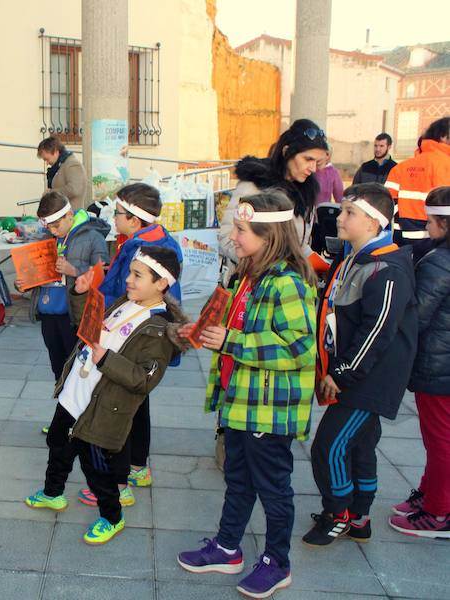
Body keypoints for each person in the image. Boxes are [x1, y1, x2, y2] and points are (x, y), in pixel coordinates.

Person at [177, 190, 317, 600]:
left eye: (240, 230)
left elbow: (299, 346)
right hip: (241, 399)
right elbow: (230, 322)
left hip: (269, 410)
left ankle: (278, 562)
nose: (233, 237)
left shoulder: (287, 282)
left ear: (267, 234)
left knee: (273, 487)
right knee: (238, 479)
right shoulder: (247, 274)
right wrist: (203, 330)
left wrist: (231, 341)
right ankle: (226, 547)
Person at [25, 246, 187, 544]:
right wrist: (80, 295)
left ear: (161, 283)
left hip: (103, 409)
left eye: (137, 275)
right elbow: (88, 327)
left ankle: (112, 517)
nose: (128, 279)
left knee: (97, 468)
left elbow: (144, 379)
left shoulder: (160, 330)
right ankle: (52, 493)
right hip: (75, 393)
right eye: (130, 272)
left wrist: (104, 359)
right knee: (58, 444)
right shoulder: (126, 302)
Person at [303, 183, 417, 546]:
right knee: (361, 445)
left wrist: (343, 373)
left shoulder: (387, 269)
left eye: (350, 212)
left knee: (330, 445)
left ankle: (337, 512)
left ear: (373, 222)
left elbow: (378, 330)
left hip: (369, 379)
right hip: (356, 372)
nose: (341, 217)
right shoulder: (354, 256)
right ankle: (359, 516)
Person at [80, 182, 182, 494]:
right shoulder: (163, 240)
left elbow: (117, 290)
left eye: (118, 213)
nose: (114, 219)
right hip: (148, 329)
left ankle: (119, 482)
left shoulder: (136, 249)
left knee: (121, 407)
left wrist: (96, 307)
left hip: (133, 332)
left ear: (135, 220)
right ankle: (139, 466)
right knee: (138, 402)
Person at [389, 186, 450, 539]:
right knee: (439, 437)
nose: (426, 227)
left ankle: (439, 512)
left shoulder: (441, 261)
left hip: (439, 364)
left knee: (439, 438)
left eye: (431, 221)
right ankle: (430, 493)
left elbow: (418, 314)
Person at [218, 119, 329, 286]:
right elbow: (227, 239)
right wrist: (270, 265)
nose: (313, 168)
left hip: (289, 284)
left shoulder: (305, 192)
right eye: (308, 159)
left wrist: (316, 262)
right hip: (251, 286)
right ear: (287, 151)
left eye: (318, 162)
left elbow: (297, 242)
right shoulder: (254, 186)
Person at [25, 190, 109, 382]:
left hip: (73, 316)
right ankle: (62, 400)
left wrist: (74, 270)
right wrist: (26, 282)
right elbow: (37, 272)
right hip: (48, 313)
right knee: (57, 367)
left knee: (76, 368)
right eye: (49, 226)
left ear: (69, 215)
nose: (53, 231)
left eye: (56, 226)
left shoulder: (92, 237)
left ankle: (74, 407)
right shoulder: (47, 238)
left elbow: (103, 276)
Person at [385, 117, 450, 245]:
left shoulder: (400, 167)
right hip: (436, 239)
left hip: (401, 239)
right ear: (443, 136)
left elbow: (386, 203)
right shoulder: (446, 165)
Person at [38, 136, 89, 207]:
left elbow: (74, 189)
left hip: (72, 215)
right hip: (63, 213)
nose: (46, 163)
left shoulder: (72, 164)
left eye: (47, 159)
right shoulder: (59, 166)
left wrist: (51, 193)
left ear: (55, 152)